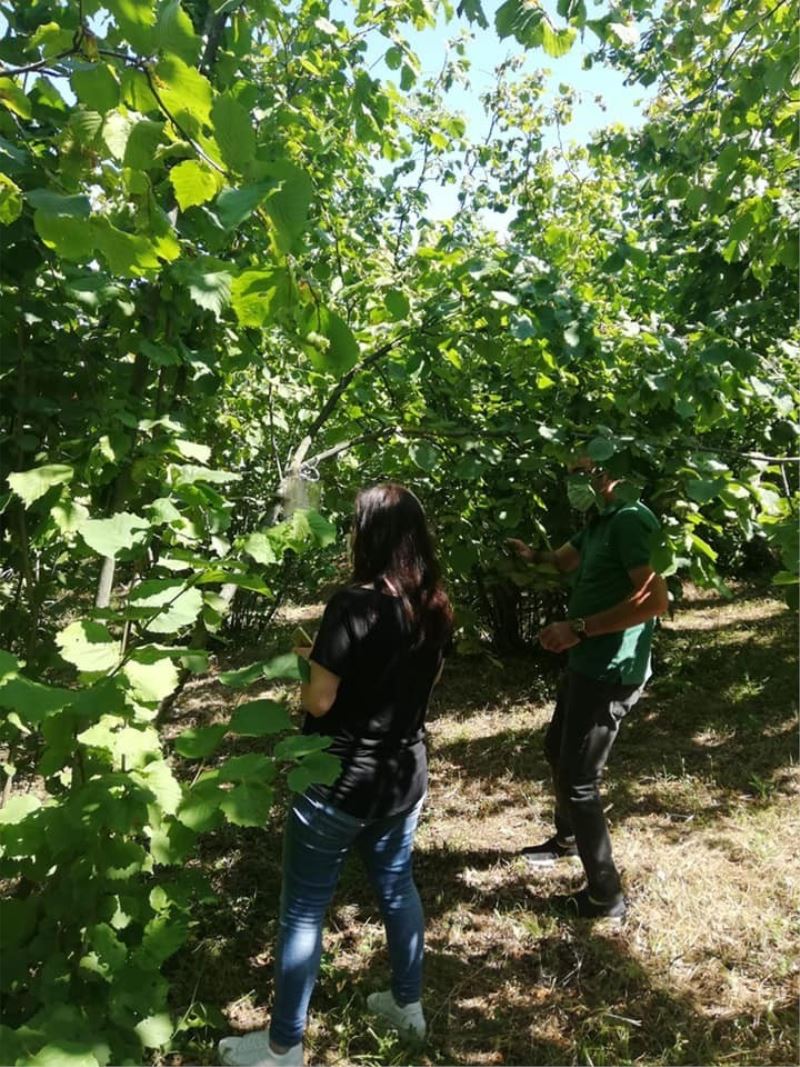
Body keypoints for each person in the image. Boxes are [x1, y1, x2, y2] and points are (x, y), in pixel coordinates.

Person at [219, 483, 453, 1067]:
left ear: (366, 533)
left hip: (338, 779)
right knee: (397, 886)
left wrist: (310, 665)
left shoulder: (355, 604)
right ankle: (408, 1006)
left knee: (303, 909)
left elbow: (320, 701)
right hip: (404, 775)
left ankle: (282, 1047)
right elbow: (418, 685)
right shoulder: (434, 603)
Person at [507, 456, 668, 919]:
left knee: (580, 779)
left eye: (587, 471)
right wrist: (529, 556)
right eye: (573, 472)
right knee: (557, 748)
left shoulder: (632, 521)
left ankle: (606, 895)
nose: (579, 481)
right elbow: (561, 560)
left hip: (611, 670)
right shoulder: (600, 522)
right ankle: (569, 839)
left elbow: (653, 600)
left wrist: (578, 628)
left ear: (614, 471)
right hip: (587, 663)